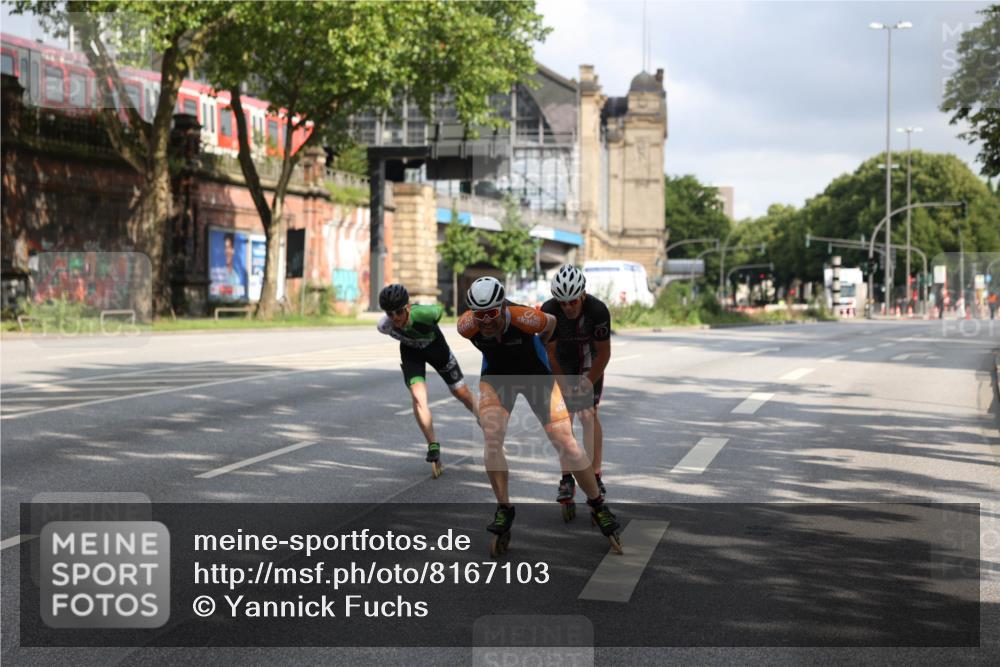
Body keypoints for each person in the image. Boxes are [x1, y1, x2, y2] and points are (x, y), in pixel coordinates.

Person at [457, 276, 622, 556]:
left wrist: (537, 348)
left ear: (503, 307)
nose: (486, 321)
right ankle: (504, 509)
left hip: (535, 373)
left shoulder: (525, 317)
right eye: (480, 315)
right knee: (492, 437)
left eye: (492, 313)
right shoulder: (466, 326)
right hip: (497, 376)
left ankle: (596, 503)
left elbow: (552, 326)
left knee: (566, 443)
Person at [377, 284, 477, 477]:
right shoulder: (384, 326)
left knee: (461, 393)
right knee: (418, 395)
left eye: (399, 311)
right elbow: (392, 325)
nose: (395, 318)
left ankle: (489, 427)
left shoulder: (423, 314)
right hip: (411, 352)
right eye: (390, 314)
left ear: (407, 307)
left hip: (436, 349)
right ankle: (433, 445)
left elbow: (438, 311)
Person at [540, 265, 612, 513]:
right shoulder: (549, 311)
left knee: (587, 413)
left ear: (582, 295)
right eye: (563, 303)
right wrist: (563, 386)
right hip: (562, 359)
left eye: (572, 301)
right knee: (564, 416)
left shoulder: (597, 310)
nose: (568, 307)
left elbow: (604, 353)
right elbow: (549, 353)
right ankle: (566, 477)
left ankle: (595, 473)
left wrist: (588, 381)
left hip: (590, 358)